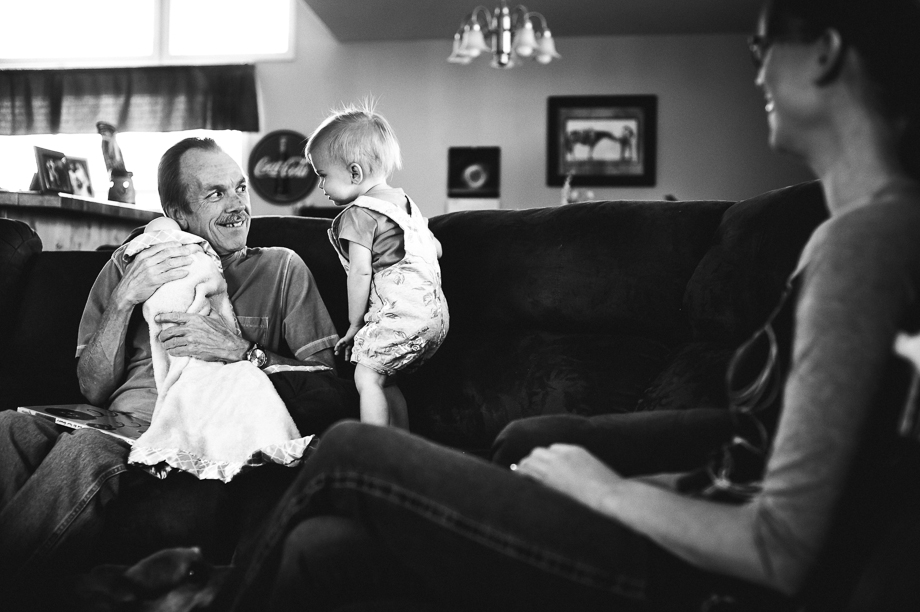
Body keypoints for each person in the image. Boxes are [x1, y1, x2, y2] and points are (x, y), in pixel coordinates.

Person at [221, 1, 920, 610]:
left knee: (348, 447)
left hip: (695, 575)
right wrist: (625, 467)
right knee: (321, 547)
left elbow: (782, 549)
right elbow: (762, 444)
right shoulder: (855, 233)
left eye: (764, 46)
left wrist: (608, 492)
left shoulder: (868, 247)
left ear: (826, 52)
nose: (758, 67)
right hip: (688, 515)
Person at [0, 137, 356, 588]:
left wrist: (242, 350)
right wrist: (126, 297)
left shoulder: (281, 268)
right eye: (216, 193)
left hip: (180, 428)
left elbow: (327, 388)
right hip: (112, 418)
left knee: (84, 451)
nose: (238, 206)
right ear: (177, 215)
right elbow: (91, 388)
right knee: (8, 427)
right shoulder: (127, 265)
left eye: (240, 189)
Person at [307, 101, 449, 429]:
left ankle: (373, 446)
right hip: (436, 319)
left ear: (354, 172)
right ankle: (401, 443)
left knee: (366, 376)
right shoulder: (407, 207)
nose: (321, 186)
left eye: (323, 175)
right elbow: (436, 249)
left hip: (401, 317)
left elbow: (359, 271)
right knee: (386, 378)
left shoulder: (359, 214)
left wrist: (355, 324)